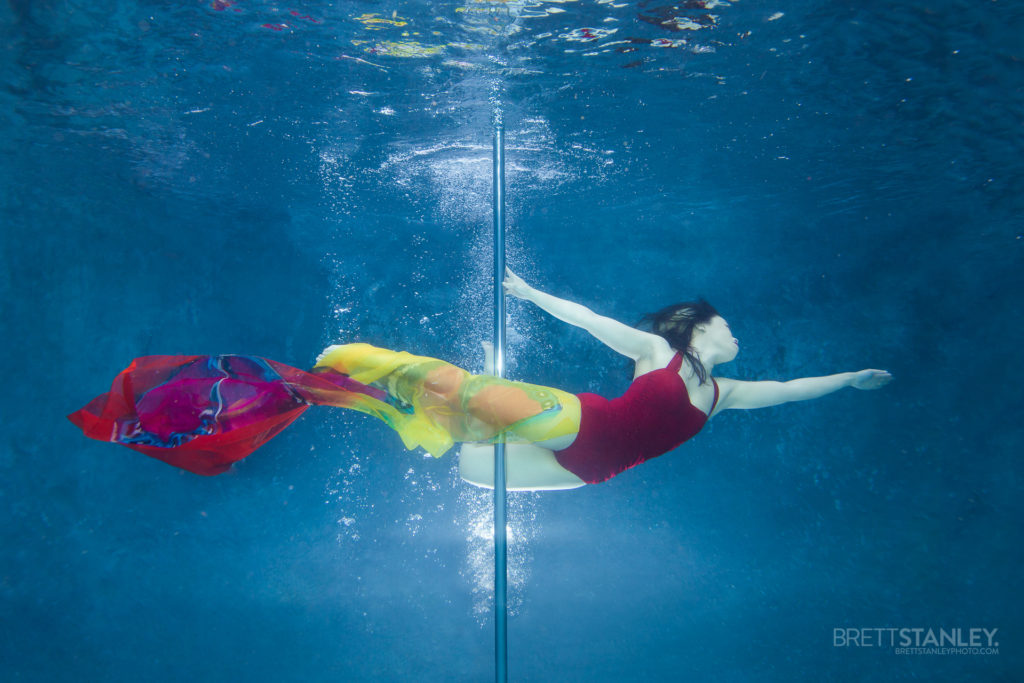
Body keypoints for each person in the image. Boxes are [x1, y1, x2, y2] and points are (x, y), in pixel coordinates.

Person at [68, 269, 892, 486]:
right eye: (727, 322)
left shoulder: (723, 392)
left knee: (454, 427)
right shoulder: (663, 358)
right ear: (696, 328)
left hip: (580, 463)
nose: (737, 332)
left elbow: (785, 391)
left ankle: (368, 396)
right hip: (578, 428)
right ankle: (370, 383)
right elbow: (592, 322)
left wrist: (848, 377)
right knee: (455, 396)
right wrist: (532, 295)